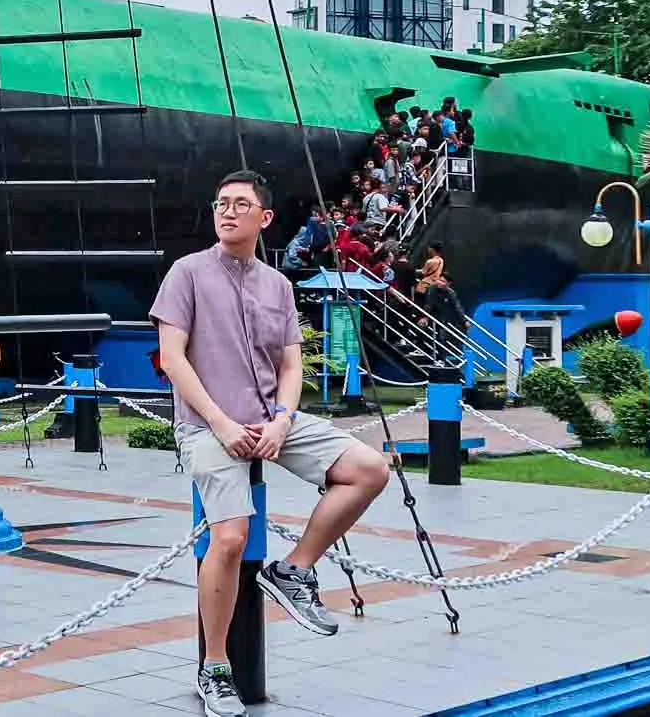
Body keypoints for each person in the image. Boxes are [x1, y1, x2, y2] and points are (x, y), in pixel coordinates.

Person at [152, 170, 392, 716]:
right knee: (231, 539)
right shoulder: (186, 273)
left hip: (270, 418)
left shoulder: (277, 285)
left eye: (240, 204)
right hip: (208, 424)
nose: (227, 211)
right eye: (220, 202)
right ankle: (215, 667)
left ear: (265, 219)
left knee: (369, 470)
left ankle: (295, 568)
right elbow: (173, 359)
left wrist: (284, 418)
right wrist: (220, 423)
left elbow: (290, 363)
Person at [416, 248, 468, 364]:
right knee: (421, 326)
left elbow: (457, 307)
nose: (439, 282)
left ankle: (441, 359)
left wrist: (464, 320)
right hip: (430, 312)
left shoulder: (450, 293)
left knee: (441, 336)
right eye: (439, 280)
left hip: (441, 315)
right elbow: (428, 303)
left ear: (448, 284)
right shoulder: (432, 289)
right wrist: (425, 317)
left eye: (443, 281)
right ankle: (419, 348)